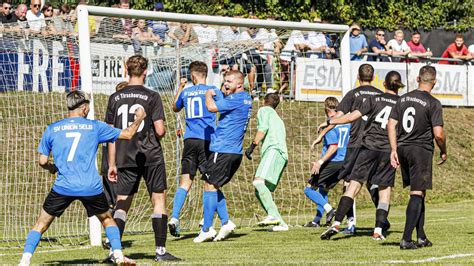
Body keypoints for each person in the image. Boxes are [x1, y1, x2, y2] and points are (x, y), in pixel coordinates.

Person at [18, 91, 144, 266]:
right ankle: (118, 254)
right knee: (107, 220)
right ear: (84, 109)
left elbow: (42, 161)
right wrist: (139, 118)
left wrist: (51, 167)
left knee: (41, 224)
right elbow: (128, 134)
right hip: (90, 186)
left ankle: (25, 259)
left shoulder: (52, 128)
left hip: (63, 187)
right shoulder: (94, 127)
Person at [106, 55, 180, 261]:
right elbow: (161, 130)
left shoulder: (115, 97)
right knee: (158, 200)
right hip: (150, 154)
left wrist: (111, 163)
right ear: (146, 72)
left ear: (125, 70)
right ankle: (160, 252)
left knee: (122, 203)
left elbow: (110, 134)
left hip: (124, 154)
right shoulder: (152, 96)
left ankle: (115, 252)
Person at [320, 71, 404, 241]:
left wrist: (330, 122)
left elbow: (351, 117)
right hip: (388, 150)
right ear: (399, 86)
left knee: (353, 186)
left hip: (368, 147)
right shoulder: (402, 104)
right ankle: (378, 230)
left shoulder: (374, 100)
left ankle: (336, 223)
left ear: (385, 84)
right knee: (384, 190)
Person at [314, 64, 384, 234]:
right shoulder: (381, 95)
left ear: (358, 77)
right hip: (376, 144)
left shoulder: (353, 94)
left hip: (356, 143)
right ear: (373, 77)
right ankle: (381, 222)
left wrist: (325, 127)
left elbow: (339, 115)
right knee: (374, 183)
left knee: (349, 183)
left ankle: (350, 223)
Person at [388, 65, 447, 249]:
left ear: (417, 79)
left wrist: (393, 149)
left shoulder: (403, 98)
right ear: (434, 82)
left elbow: (391, 124)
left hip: (403, 147)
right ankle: (406, 239)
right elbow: (438, 134)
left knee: (420, 192)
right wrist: (443, 150)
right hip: (420, 149)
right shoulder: (433, 102)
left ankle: (421, 236)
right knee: (416, 192)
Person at [194, 70, 252, 243]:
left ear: (240, 84)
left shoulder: (235, 99)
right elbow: (224, 101)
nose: (226, 84)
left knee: (209, 186)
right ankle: (225, 222)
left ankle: (207, 228)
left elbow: (212, 107)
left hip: (223, 150)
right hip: (234, 152)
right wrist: (218, 92)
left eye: (230, 81)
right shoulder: (245, 98)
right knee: (213, 185)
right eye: (225, 81)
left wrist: (207, 95)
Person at [168, 61, 220, 237]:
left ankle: (174, 217)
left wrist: (180, 87)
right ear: (205, 74)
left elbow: (175, 107)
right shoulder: (211, 89)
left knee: (185, 181)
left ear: (192, 75)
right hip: (207, 140)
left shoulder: (187, 91)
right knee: (211, 182)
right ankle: (208, 222)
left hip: (189, 140)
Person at [245, 93, 289, 231]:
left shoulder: (264, 110)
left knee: (258, 182)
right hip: (282, 156)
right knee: (261, 191)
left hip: (274, 150)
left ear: (264, 101)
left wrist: (252, 146)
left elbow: (262, 128)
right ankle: (281, 224)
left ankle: (272, 215)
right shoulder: (278, 118)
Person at [304, 97, 350, 228]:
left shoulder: (331, 126)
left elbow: (333, 146)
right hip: (344, 162)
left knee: (308, 189)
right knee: (323, 190)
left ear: (326, 109)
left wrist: (320, 161)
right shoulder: (347, 122)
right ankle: (317, 220)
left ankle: (330, 210)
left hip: (332, 161)